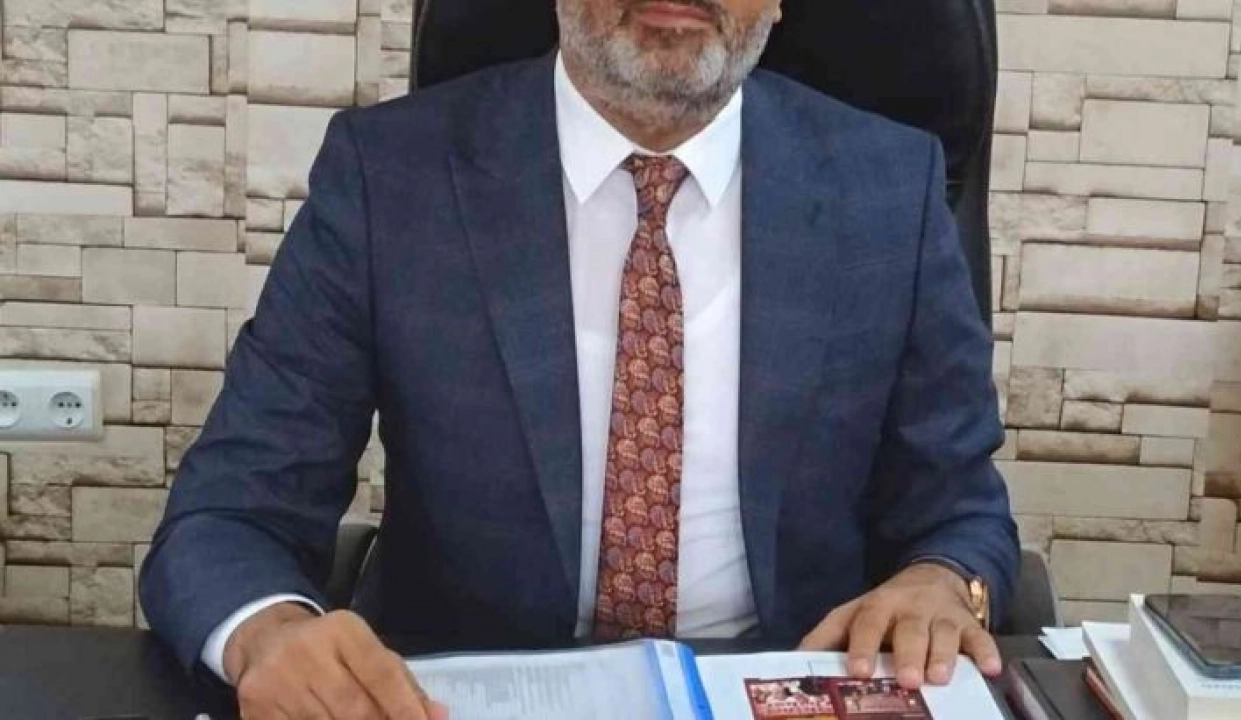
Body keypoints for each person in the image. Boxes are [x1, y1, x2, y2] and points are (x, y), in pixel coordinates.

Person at [139, 0, 1019, 718]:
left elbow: (959, 508)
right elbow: (230, 512)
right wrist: (271, 633)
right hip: (456, 695)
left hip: (782, 689)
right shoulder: (389, 177)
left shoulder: (888, 187)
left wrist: (945, 582)